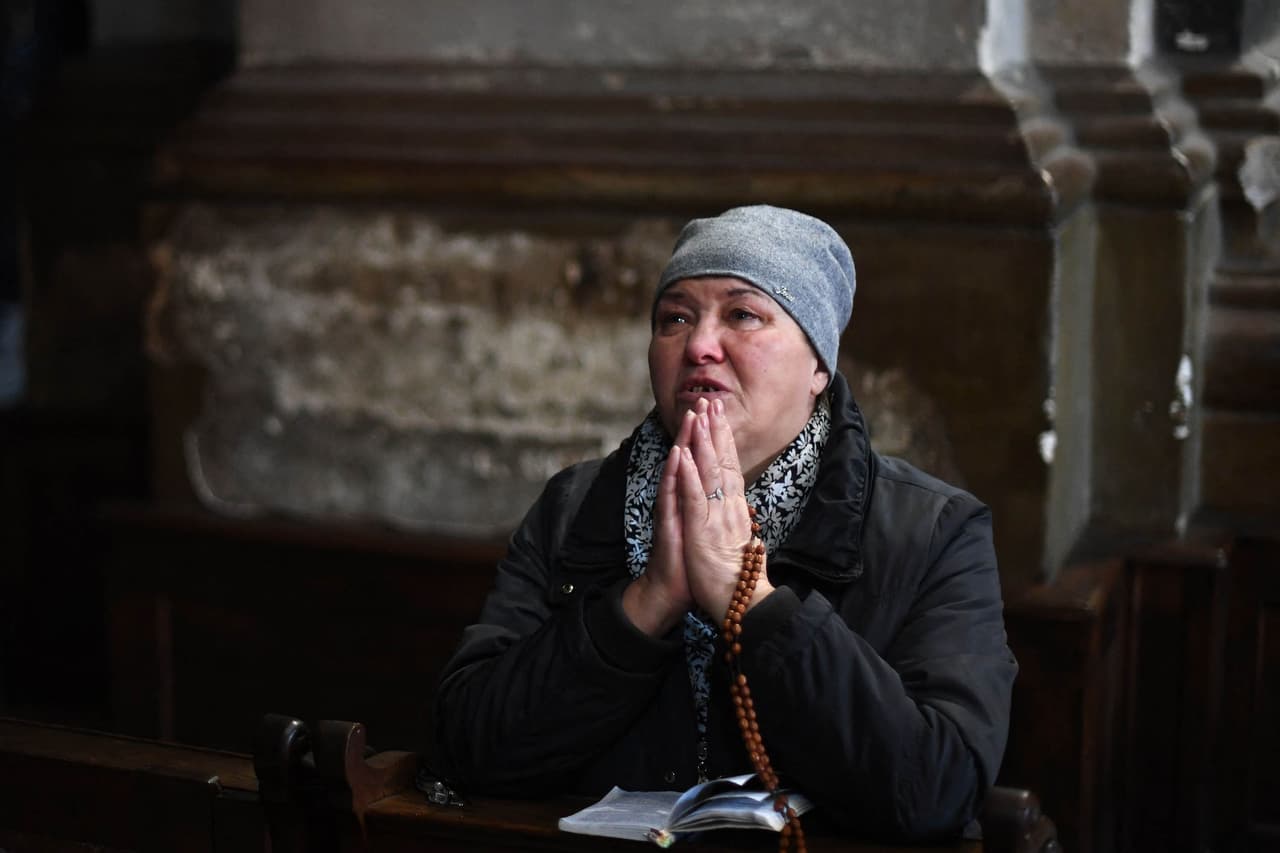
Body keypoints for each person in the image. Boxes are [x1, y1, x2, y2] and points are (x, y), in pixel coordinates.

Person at [433, 205, 1017, 840]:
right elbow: (465, 747)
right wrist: (644, 606)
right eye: (675, 318)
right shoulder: (574, 506)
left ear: (819, 367)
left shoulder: (934, 531)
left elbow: (935, 789)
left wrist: (755, 602)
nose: (699, 346)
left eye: (743, 315)